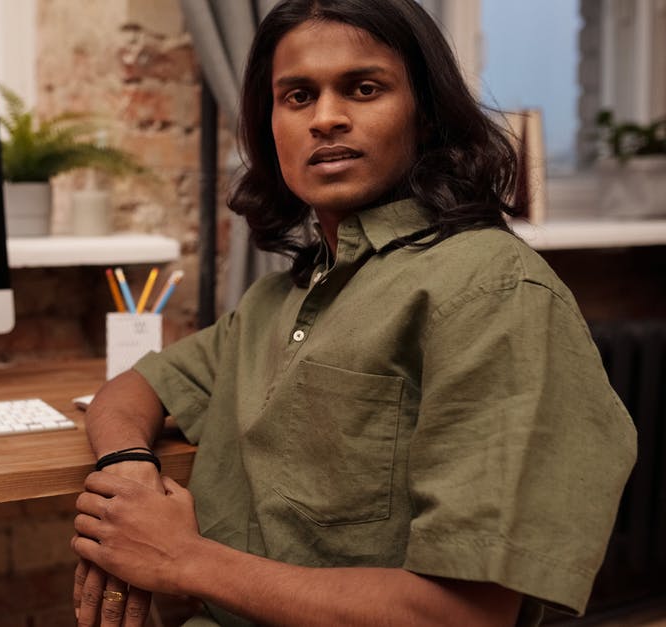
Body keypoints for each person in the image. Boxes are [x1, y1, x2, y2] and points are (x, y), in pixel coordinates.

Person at [70, 0, 638, 625]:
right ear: (270, 129)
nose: (327, 118)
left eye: (364, 89)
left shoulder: (492, 291)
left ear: (425, 116)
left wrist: (182, 560)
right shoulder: (275, 303)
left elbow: (463, 617)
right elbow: (130, 390)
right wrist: (128, 474)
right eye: (297, 96)